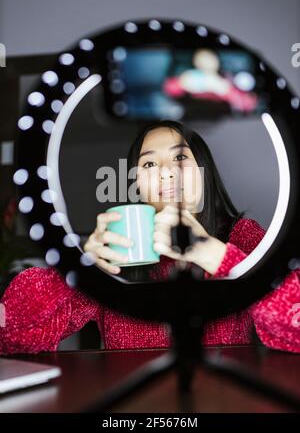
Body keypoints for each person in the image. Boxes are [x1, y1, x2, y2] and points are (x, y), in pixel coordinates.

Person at [1, 120, 300, 354]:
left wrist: (213, 254)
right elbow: (10, 335)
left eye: (179, 158)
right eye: (149, 164)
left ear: (203, 171)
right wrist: (77, 270)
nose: (166, 173)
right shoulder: (114, 250)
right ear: (137, 183)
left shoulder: (243, 237)